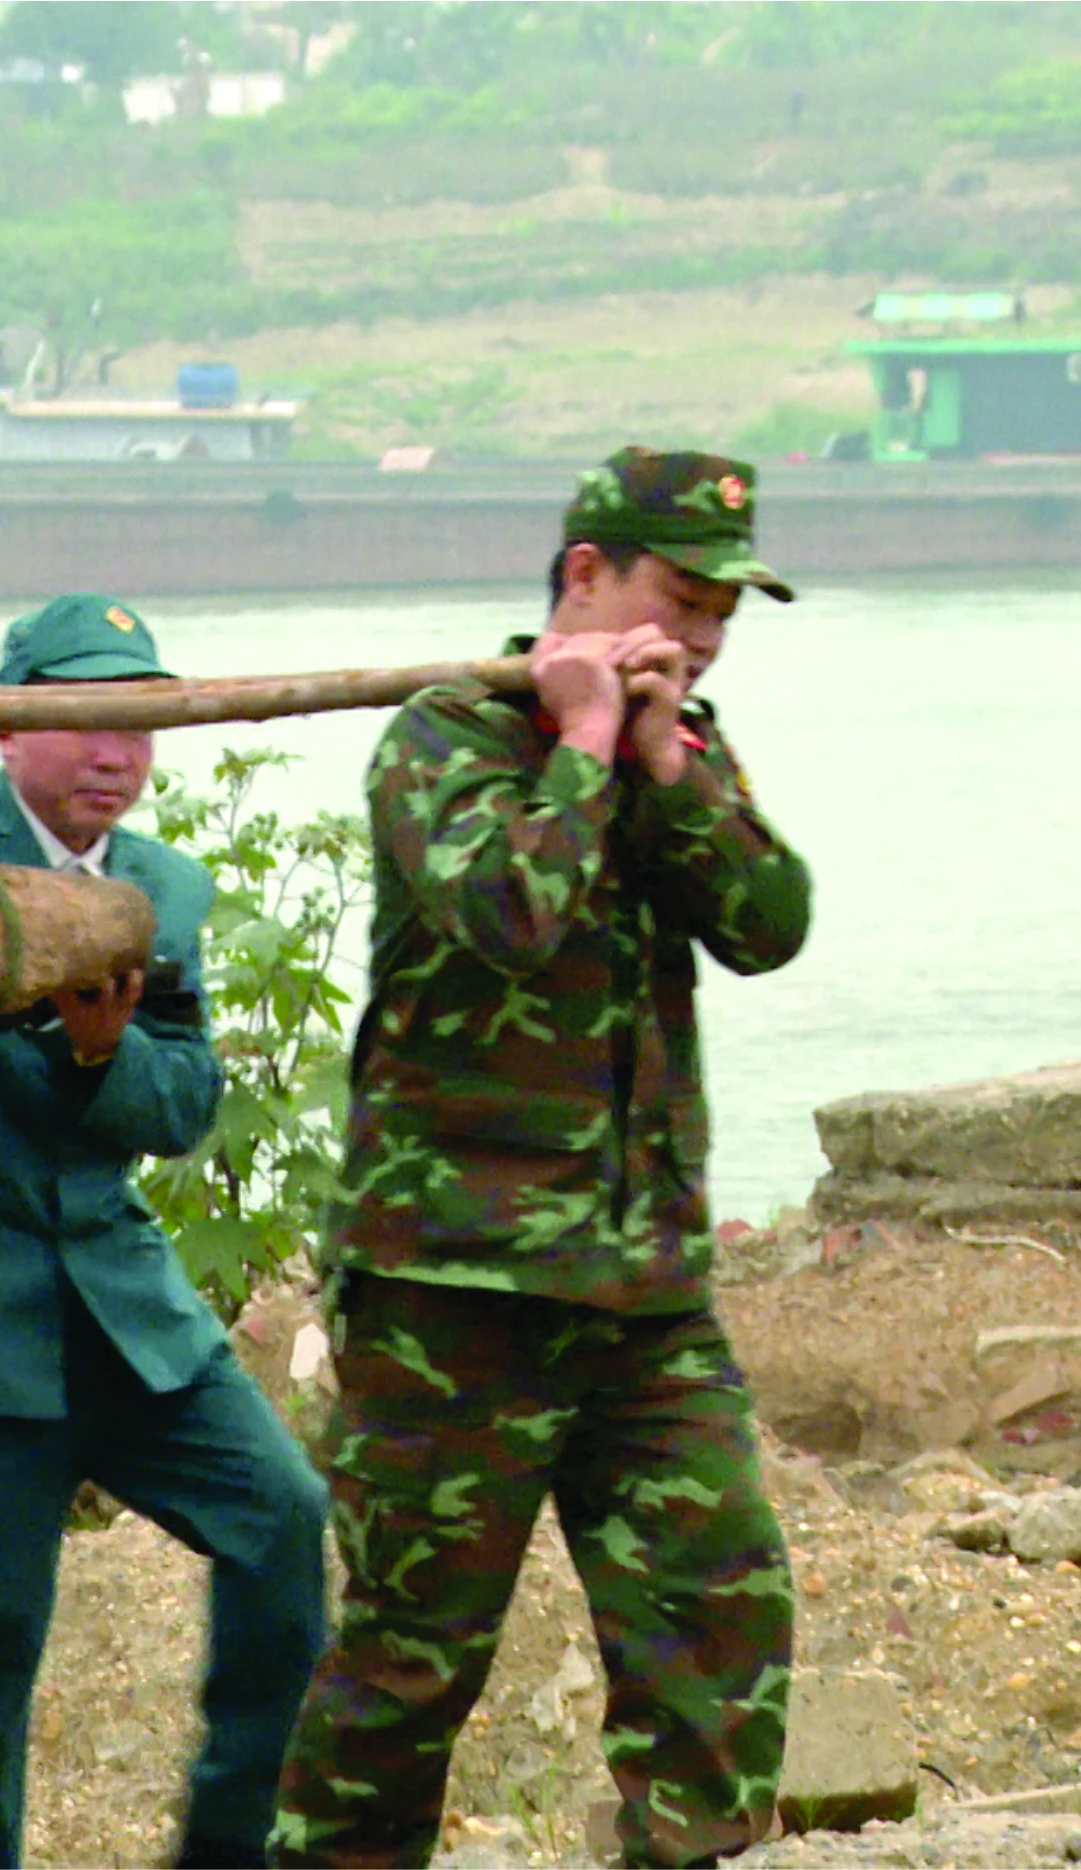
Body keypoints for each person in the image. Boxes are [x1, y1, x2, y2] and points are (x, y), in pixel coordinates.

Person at [267, 449, 811, 1869]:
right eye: (677, 598)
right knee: (409, 1667)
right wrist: (576, 745)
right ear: (585, 576)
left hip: (644, 1292)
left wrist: (660, 766)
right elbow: (505, 912)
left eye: (720, 616)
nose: (695, 637)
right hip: (456, 1288)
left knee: (720, 1618)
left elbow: (770, 920)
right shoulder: (444, 739)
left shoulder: (679, 743)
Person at [0, 594, 330, 1870]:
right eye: (88, 718)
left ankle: (227, 1846)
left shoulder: (162, 887)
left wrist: (102, 1052)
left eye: (142, 725)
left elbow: (185, 1099)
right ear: (6, 722)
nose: (117, 752)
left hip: (121, 1303)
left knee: (284, 1517)